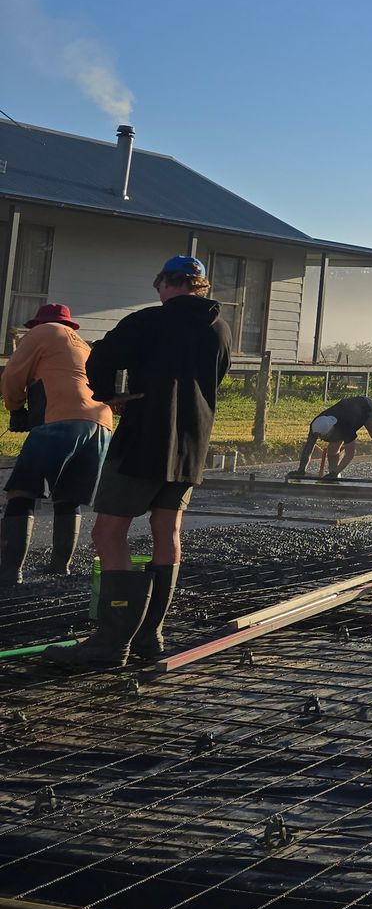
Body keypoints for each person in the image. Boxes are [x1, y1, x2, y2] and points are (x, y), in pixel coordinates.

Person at [47, 256, 231, 669]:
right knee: (168, 530)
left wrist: (109, 395)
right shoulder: (220, 328)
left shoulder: (148, 321)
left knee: (108, 533)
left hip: (145, 438)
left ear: (165, 282)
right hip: (192, 443)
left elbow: (98, 358)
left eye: (159, 284)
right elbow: (215, 379)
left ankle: (111, 643)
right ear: (200, 285)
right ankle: (151, 635)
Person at [0, 304, 113, 584]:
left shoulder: (42, 332)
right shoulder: (82, 345)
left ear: (38, 322)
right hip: (100, 424)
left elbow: (13, 375)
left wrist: (15, 409)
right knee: (68, 497)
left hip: (62, 419)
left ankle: (10, 573)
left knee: (22, 491)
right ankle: (60, 568)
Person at [294, 396, 372, 485]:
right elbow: (308, 448)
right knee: (332, 449)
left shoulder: (345, 426)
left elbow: (350, 454)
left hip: (367, 408)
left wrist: (334, 474)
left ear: (332, 430)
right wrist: (301, 470)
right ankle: (334, 475)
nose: (323, 440)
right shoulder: (316, 425)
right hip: (347, 410)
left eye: (325, 437)